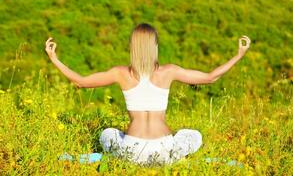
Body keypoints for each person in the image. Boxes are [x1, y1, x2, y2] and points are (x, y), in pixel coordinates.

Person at [45, 23, 251, 166]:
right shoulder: (169, 71)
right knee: (193, 135)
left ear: (132, 48)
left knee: (107, 134)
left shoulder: (120, 73)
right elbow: (210, 77)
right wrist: (238, 55)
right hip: (164, 150)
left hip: (132, 152)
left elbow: (80, 82)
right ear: (156, 47)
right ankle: (177, 161)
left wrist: (54, 59)